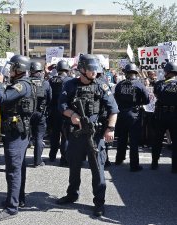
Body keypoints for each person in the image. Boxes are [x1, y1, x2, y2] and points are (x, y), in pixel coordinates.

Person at [57, 54, 118, 217]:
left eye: (96, 70)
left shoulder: (101, 85)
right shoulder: (69, 85)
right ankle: (72, 194)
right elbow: (61, 105)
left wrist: (110, 129)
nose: (95, 73)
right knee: (74, 166)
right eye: (91, 70)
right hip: (76, 134)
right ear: (82, 70)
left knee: (98, 169)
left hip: (95, 135)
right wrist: (71, 115)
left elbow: (114, 109)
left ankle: (99, 202)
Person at [0, 55, 35, 221]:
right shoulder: (23, 83)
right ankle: (18, 199)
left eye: (11, 68)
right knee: (19, 168)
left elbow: (2, 99)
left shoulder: (21, 85)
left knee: (13, 171)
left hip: (16, 132)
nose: (9, 71)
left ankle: (11, 208)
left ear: (18, 69)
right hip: (19, 131)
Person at [114, 63, 150, 171]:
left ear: (126, 73)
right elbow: (147, 100)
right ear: (136, 73)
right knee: (134, 140)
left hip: (122, 114)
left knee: (122, 138)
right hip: (134, 114)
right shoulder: (139, 85)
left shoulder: (120, 84)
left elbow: (116, 97)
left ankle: (119, 159)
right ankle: (134, 165)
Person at [151, 62, 177, 172]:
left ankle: (154, 163)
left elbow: (157, 95)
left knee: (157, 140)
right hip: (175, 116)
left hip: (161, 115)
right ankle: (175, 168)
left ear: (166, 72)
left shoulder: (159, 84)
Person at [48, 60, 71, 166]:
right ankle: (64, 158)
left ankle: (52, 156)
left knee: (54, 134)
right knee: (65, 136)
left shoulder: (51, 80)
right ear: (67, 69)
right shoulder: (70, 81)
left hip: (53, 111)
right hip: (65, 111)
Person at [29, 61, 52, 167]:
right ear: (40, 71)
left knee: (25, 137)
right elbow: (49, 98)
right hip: (40, 113)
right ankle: (37, 161)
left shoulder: (26, 82)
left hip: (27, 113)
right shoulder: (45, 83)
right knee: (39, 137)